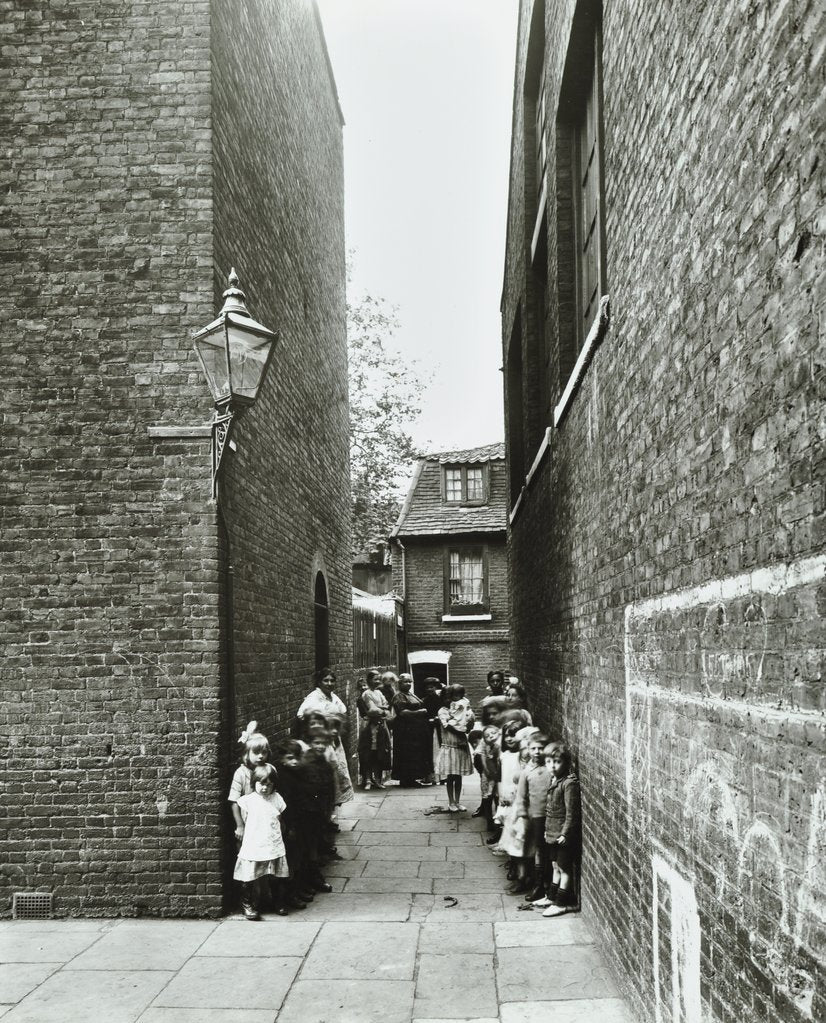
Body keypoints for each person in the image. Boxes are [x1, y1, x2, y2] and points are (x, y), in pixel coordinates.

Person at [233, 763, 290, 919]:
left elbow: (280, 818)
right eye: (261, 784)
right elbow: (244, 818)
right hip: (254, 842)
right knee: (249, 875)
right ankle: (247, 904)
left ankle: (278, 902)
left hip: (273, 841)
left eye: (269, 785)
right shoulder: (248, 801)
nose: (264, 788)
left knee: (276, 874)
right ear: (254, 783)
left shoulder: (277, 798)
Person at [542, 744, 581, 917]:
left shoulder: (568, 784)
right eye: (549, 761)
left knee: (564, 868)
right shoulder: (553, 780)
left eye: (556, 762)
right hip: (552, 833)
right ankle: (552, 896)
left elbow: (571, 813)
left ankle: (562, 903)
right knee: (555, 865)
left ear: (565, 763)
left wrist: (565, 833)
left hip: (562, 836)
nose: (552, 765)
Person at [515, 733, 553, 902]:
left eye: (541, 748)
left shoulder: (551, 768)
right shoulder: (526, 772)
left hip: (552, 815)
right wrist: (523, 815)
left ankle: (550, 883)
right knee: (538, 848)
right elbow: (521, 797)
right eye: (533, 748)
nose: (537, 752)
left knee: (550, 849)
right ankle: (539, 884)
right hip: (536, 816)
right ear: (528, 750)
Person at [228, 721, 270, 844]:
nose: (261, 756)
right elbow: (234, 800)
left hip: (264, 819)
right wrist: (240, 825)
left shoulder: (268, 769)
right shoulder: (241, 773)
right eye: (256, 753)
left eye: (264, 752)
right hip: (247, 820)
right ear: (247, 754)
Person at [436, 683, 475, 812]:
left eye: (451, 697)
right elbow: (448, 726)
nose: (449, 700)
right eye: (447, 697)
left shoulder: (460, 708)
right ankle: (451, 801)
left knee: (459, 776)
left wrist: (469, 722)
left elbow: (468, 725)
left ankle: (457, 801)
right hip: (450, 746)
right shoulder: (442, 711)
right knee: (451, 777)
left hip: (460, 746)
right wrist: (462, 729)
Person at [390, 673, 433, 786]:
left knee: (414, 754)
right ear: (400, 683)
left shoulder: (410, 694)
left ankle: (412, 778)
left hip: (414, 730)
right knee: (406, 753)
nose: (408, 684)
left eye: (410, 681)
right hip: (405, 730)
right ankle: (406, 779)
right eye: (406, 681)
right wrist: (419, 712)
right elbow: (402, 712)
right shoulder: (399, 696)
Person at [358, 706, 391, 789]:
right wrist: (360, 748)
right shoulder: (366, 728)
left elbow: (386, 737)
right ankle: (368, 781)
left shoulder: (382, 727)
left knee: (377, 765)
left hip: (378, 749)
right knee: (368, 764)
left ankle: (377, 781)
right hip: (368, 749)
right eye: (377, 718)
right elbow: (361, 738)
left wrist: (388, 746)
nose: (379, 720)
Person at [326, 714, 355, 808]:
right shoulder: (324, 742)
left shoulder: (337, 740)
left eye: (336, 728)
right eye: (331, 728)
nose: (334, 731)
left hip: (336, 772)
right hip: (328, 773)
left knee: (335, 796)